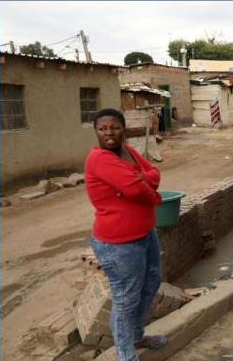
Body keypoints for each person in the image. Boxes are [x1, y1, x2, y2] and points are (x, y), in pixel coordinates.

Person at [84, 108, 167, 361]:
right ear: (96, 132)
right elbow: (134, 189)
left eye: (115, 127)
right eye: (103, 128)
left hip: (145, 234)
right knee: (125, 300)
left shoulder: (128, 151)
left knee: (151, 283)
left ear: (123, 128)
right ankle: (125, 355)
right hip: (119, 244)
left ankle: (136, 336)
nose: (109, 133)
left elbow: (154, 173)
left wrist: (144, 180)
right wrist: (153, 195)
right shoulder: (99, 159)